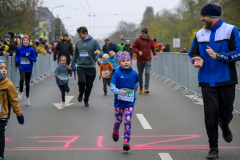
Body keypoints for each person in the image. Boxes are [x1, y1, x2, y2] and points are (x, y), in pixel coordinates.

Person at [189, 4, 240, 159]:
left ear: (212, 16)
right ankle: (213, 148)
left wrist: (219, 56)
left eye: (203, 16)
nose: (201, 19)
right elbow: (193, 52)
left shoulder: (231, 30)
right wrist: (197, 59)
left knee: (226, 113)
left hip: (226, 80)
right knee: (210, 114)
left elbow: (238, 52)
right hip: (206, 81)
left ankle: (224, 125)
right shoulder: (199, 34)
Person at [110, 52, 139, 151]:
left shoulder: (134, 73)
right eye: (123, 61)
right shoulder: (117, 73)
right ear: (119, 62)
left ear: (130, 61)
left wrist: (132, 94)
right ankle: (115, 130)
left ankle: (126, 141)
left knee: (127, 120)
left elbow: (136, 86)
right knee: (118, 121)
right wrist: (119, 92)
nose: (126, 62)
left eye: (128, 60)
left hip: (130, 102)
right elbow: (112, 86)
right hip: (119, 102)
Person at [68, 26, 103, 107]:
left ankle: (86, 99)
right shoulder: (78, 43)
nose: (79, 36)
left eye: (80, 34)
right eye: (79, 34)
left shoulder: (94, 42)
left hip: (91, 67)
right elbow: (75, 54)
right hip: (81, 66)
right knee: (82, 81)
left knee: (89, 86)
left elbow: (101, 52)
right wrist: (71, 63)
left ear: (85, 33)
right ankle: (81, 93)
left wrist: (99, 52)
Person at [0, 60, 24, 160]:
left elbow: (14, 100)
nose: (4, 70)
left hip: (3, 114)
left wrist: (19, 114)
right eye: (1, 68)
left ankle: (0, 155)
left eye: (5, 68)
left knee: (0, 133)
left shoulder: (9, 84)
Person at [132, 28, 157, 94]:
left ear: (146, 34)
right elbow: (133, 48)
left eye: (143, 33)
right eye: (141, 33)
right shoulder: (137, 40)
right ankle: (141, 87)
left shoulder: (150, 40)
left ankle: (146, 88)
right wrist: (138, 51)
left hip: (147, 59)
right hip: (140, 60)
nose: (142, 34)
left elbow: (153, 48)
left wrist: (154, 54)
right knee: (140, 74)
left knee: (147, 73)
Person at [15, 35, 37, 106]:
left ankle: (27, 98)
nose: (25, 41)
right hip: (21, 66)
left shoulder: (31, 49)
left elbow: (34, 59)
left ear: (29, 41)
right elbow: (17, 55)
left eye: (27, 40)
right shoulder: (19, 48)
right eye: (24, 40)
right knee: (21, 79)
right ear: (22, 41)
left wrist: (29, 56)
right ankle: (20, 92)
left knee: (27, 83)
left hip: (29, 68)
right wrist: (16, 61)